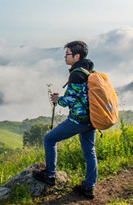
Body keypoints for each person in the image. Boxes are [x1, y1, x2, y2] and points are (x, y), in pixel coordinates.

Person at [32, 41, 96, 199]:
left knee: (49, 139)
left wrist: (56, 99)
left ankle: (50, 175)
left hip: (78, 120)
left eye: (67, 54)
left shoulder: (76, 74)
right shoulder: (89, 71)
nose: (64, 57)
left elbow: (69, 101)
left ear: (77, 56)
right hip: (92, 119)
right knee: (89, 152)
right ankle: (88, 187)